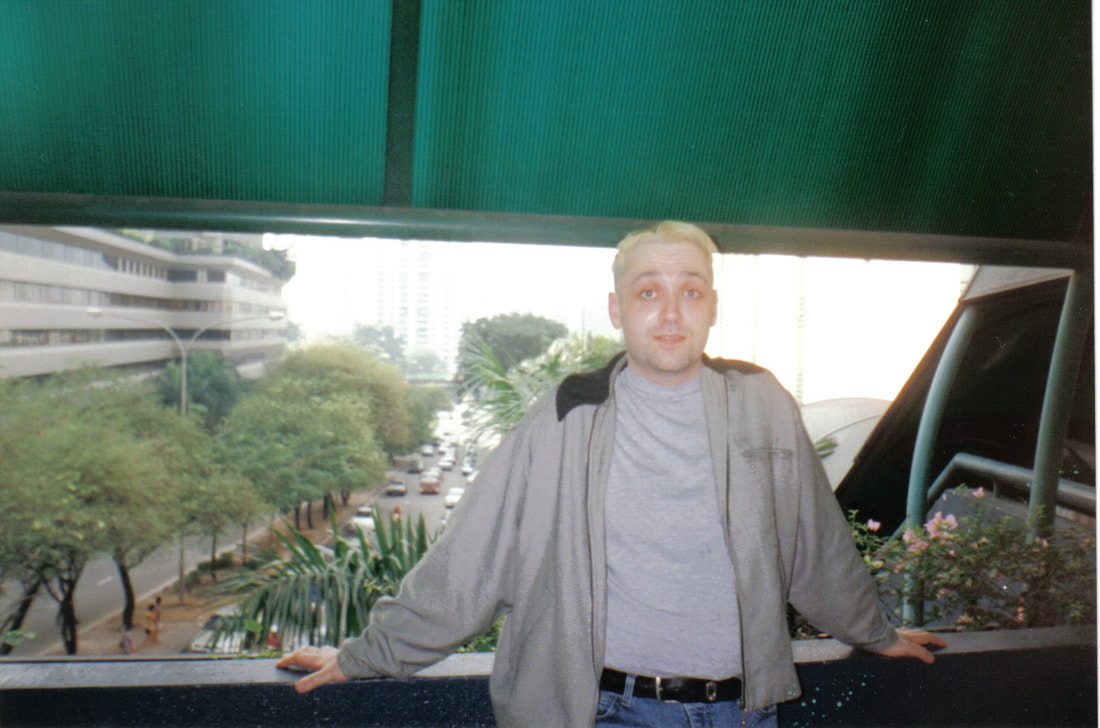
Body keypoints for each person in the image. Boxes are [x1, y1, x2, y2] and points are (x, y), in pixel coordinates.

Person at [277, 221, 945, 727]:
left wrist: (876, 633)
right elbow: (474, 554)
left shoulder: (761, 404)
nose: (671, 312)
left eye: (690, 291)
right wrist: (368, 654)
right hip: (610, 711)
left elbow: (815, 545)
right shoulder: (570, 413)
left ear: (712, 306)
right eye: (649, 292)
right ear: (618, 309)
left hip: (743, 713)